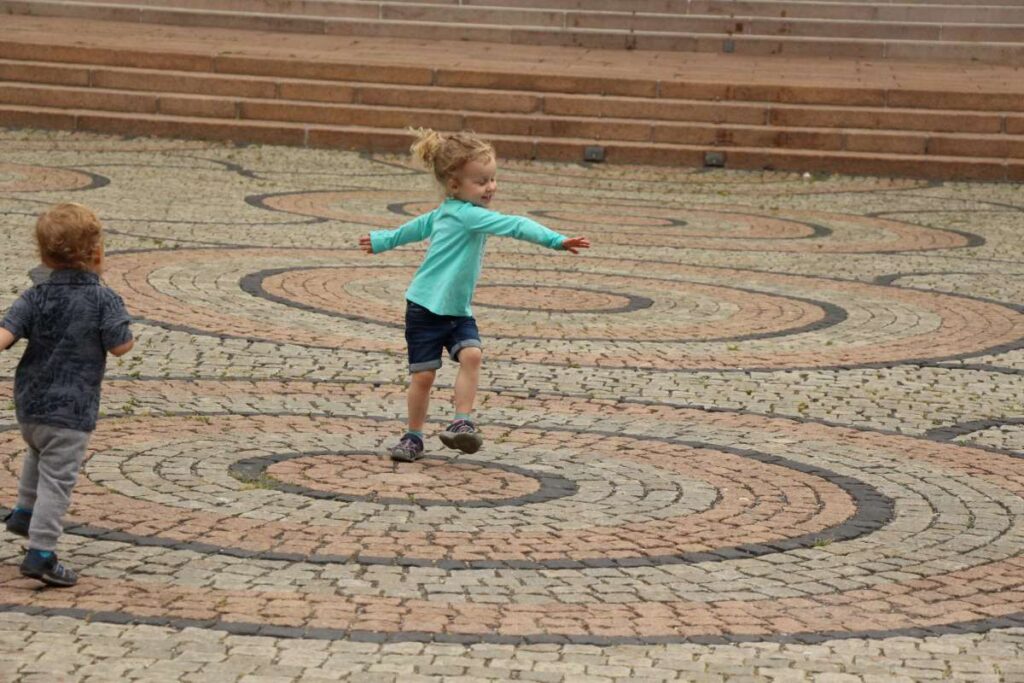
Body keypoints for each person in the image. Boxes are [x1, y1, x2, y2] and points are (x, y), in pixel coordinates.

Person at [360, 129, 590, 462]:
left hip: (456, 310)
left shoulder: (456, 211)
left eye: (492, 179)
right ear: (455, 186)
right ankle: (413, 436)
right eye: (481, 182)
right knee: (423, 376)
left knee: (472, 356)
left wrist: (383, 241)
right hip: (424, 308)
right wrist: (556, 240)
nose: (490, 188)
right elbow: (514, 225)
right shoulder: (459, 214)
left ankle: (462, 423)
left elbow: (420, 227)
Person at [1, 203, 134, 587]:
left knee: (37, 452)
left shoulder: (34, 296)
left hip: (30, 406)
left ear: (43, 255)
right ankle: (41, 553)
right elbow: (121, 346)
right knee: (58, 478)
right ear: (96, 254)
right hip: (71, 411)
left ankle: (25, 513)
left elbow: (4, 336)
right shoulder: (103, 300)